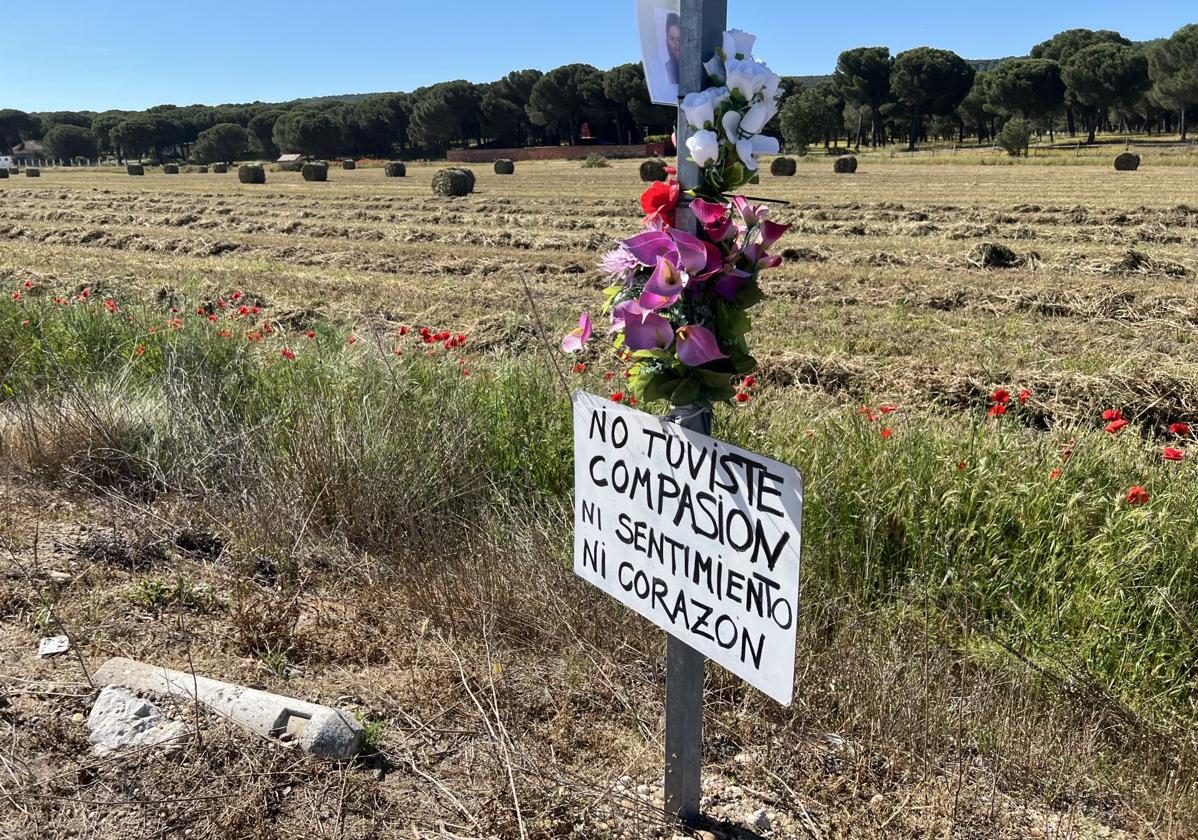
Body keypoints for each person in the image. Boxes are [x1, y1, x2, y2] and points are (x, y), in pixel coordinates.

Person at [665, 12, 681, 85]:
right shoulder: (667, 68)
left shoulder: (695, 62)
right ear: (667, 40)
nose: (676, 45)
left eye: (679, 39)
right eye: (672, 39)